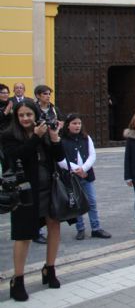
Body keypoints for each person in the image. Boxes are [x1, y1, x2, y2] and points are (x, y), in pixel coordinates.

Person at [1, 100, 65, 301]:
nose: (26, 118)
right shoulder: (9, 136)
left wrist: (54, 139)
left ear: (35, 114)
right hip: (24, 192)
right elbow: (16, 157)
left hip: (48, 188)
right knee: (24, 235)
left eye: (29, 114)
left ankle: (50, 268)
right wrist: (35, 137)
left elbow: (59, 157)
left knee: (54, 226)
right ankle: (17, 279)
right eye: (22, 115)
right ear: (16, 117)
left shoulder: (44, 131)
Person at [59, 113, 111, 240]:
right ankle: (80, 229)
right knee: (77, 203)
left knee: (92, 202)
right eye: (74, 123)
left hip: (87, 175)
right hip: (72, 176)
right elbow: (60, 159)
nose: (77, 126)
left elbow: (92, 155)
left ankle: (96, 228)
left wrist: (84, 168)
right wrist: (76, 169)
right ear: (68, 125)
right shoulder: (62, 140)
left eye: (79, 123)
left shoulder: (86, 138)